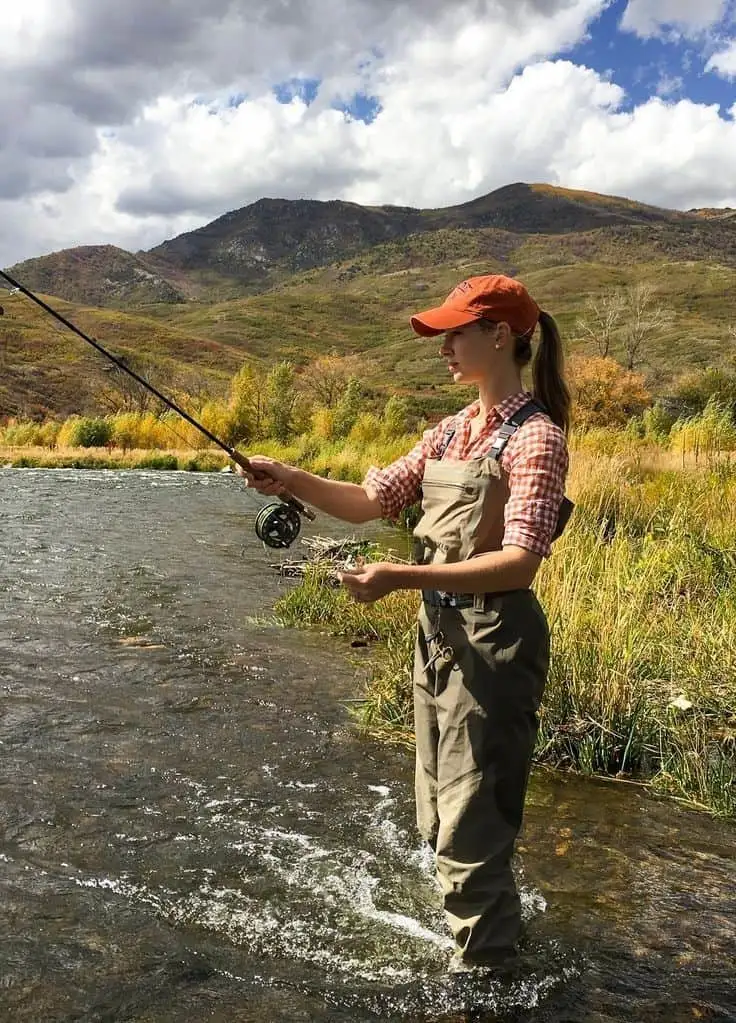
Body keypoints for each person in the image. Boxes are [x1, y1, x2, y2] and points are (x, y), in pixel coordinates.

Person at [238, 274, 571, 974]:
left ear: (500, 336)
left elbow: (518, 564)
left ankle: (486, 981)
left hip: (494, 645)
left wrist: (400, 578)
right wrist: (288, 475)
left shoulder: (536, 436)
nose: (444, 346)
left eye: (457, 331)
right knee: (438, 816)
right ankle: (490, 945)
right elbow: (368, 499)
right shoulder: (448, 431)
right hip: (439, 641)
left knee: (469, 826)